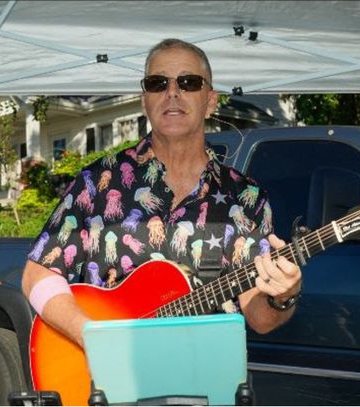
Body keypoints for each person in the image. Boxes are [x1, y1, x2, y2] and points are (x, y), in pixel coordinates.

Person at [21, 38, 302, 349]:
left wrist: (283, 296)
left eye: (188, 82)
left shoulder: (246, 198)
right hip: (111, 373)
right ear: (145, 101)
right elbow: (37, 275)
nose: (172, 92)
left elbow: (261, 319)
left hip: (205, 371)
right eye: (158, 83)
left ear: (211, 101)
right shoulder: (99, 181)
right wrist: (89, 336)